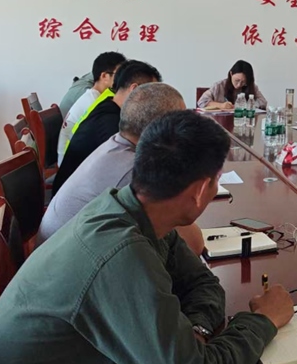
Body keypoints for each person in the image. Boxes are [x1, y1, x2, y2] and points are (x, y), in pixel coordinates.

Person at [0, 110, 295, 364]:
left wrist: (196, 332)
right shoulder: (121, 253)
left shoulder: (132, 208)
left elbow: (203, 284)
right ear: (198, 192)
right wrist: (263, 320)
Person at [38, 82, 205, 255]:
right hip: (71, 263)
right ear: (165, 131)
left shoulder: (115, 145)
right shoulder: (134, 171)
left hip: (58, 254)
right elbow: (192, 245)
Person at [52, 60, 161, 196]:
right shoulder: (109, 122)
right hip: (76, 203)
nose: (154, 103)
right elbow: (129, 170)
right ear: (134, 90)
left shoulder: (110, 107)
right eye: (152, 95)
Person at [58, 51, 126, 165]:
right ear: (104, 76)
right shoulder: (94, 101)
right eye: (119, 74)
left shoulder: (94, 96)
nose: (123, 79)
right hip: (70, 162)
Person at [197, 60, 268, 110]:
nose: (239, 85)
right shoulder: (219, 86)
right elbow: (202, 101)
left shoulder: (251, 87)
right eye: (237, 80)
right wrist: (221, 105)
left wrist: (246, 106)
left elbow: (263, 102)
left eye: (243, 82)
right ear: (231, 74)